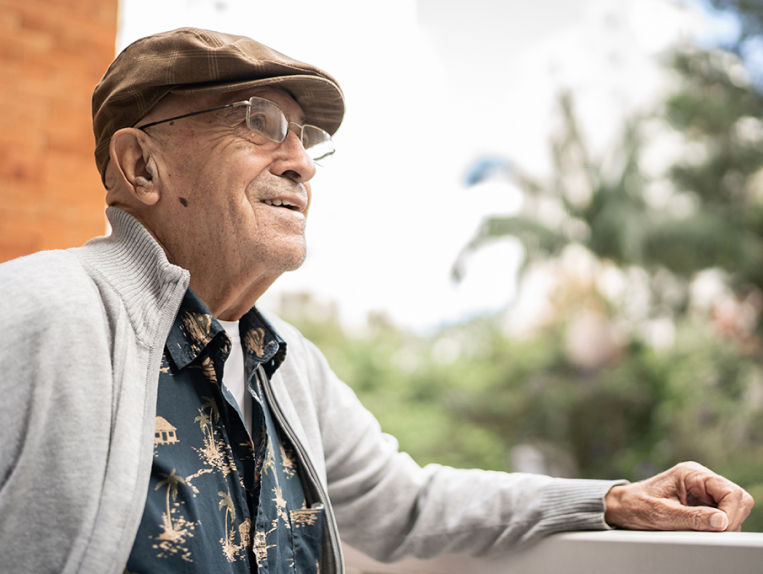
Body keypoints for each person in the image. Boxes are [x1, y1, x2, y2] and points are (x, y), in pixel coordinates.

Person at [0, 27, 753, 574]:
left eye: (305, 137)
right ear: (142, 165)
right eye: (258, 122)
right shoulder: (40, 313)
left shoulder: (287, 367)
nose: (300, 163)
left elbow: (410, 505)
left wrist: (608, 500)